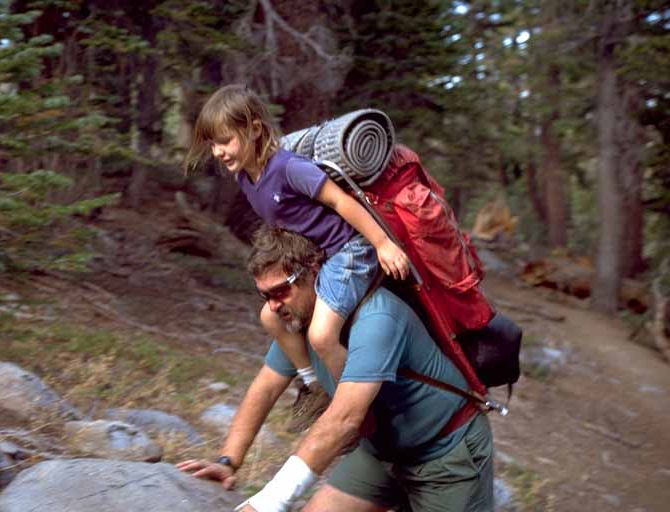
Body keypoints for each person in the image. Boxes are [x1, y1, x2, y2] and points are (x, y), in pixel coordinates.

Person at [177, 227, 494, 512]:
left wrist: (269, 501)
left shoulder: (377, 317)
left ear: (314, 272)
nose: (273, 306)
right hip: (382, 456)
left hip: (446, 455)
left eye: (281, 291)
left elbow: (344, 419)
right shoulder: (301, 324)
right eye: (264, 295)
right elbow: (266, 387)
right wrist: (228, 462)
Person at [185, 84, 411, 430]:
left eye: (225, 141)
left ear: (255, 130)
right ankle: (314, 384)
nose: (217, 151)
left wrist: (383, 244)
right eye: (212, 144)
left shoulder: (288, 168)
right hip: (316, 257)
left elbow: (341, 202)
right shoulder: (246, 178)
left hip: (348, 249)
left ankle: (358, 416)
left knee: (322, 335)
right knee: (270, 317)